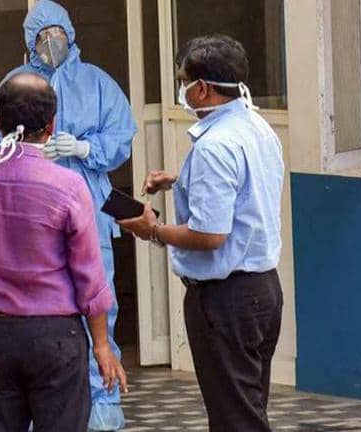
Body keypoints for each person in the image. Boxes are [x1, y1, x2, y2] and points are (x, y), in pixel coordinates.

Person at [0, 2, 137, 428]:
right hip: (27, 213)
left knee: (97, 301)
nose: (51, 41)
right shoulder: (13, 86)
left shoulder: (97, 83)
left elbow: (121, 136)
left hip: (87, 211)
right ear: (29, 41)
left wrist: (85, 148)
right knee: (41, 307)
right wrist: (23, 148)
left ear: (71, 33)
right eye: (42, 34)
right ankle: (40, 407)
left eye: (57, 32)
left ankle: (101, 404)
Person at [0, 72, 128, 432]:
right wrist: (101, 345)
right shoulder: (68, 185)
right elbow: (90, 276)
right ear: (52, 125)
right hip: (55, 337)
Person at [118, 35, 284, 432]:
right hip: (263, 290)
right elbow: (243, 191)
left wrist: (153, 230)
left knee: (235, 419)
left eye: (183, 80)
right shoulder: (256, 127)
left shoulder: (214, 146)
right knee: (248, 408)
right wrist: (180, 180)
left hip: (227, 299)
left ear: (203, 88)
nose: (182, 89)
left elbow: (210, 235)